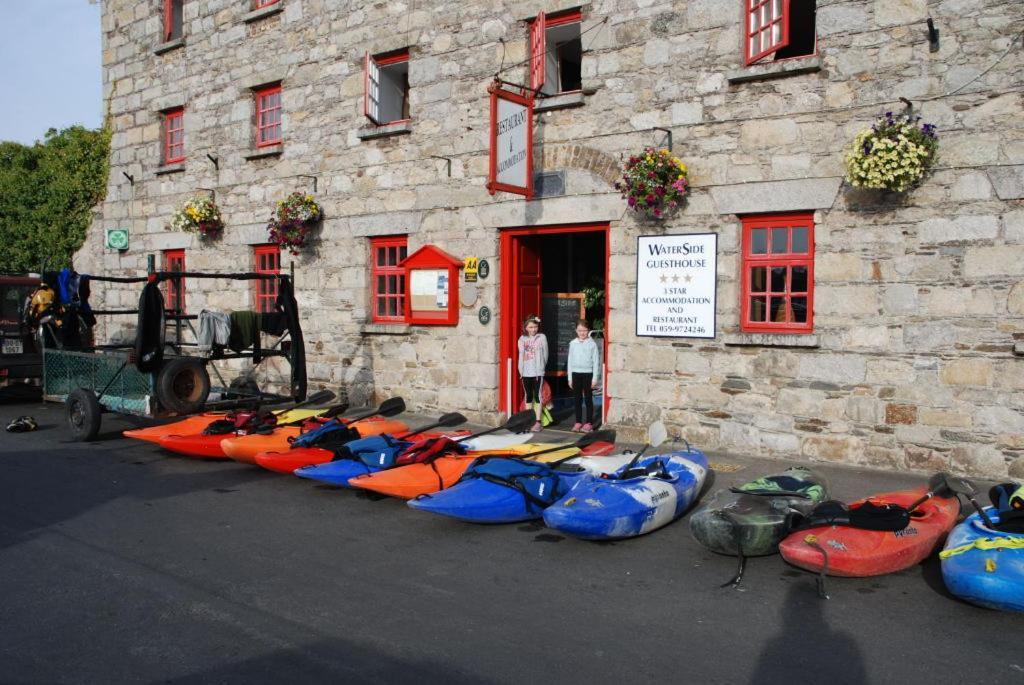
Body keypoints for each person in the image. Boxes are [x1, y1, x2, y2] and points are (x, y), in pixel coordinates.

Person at [567, 319, 600, 432]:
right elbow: (570, 361)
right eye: (580, 330)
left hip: (588, 374)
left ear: (588, 331)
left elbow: (596, 362)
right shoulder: (572, 343)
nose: (582, 333)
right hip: (576, 374)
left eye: (585, 330)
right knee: (577, 399)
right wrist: (570, 378)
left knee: (588, 399)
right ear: (576, 331)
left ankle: (589, 423)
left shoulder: (592, 344)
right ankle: (578, 422)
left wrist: (595, 378)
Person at [517, 315, 548, 432]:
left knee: (538, 396)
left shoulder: (542, 338)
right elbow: (521, 355)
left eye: (535, 327)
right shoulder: (521, 340)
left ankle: (538, 422)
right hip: (526, 372)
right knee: (528, 396)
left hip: (537, 372)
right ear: (526, 328)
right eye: (530, 327)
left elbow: (546, 354)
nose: (533, 329)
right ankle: (528, 420)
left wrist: (541, 368)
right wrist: (521, 370)